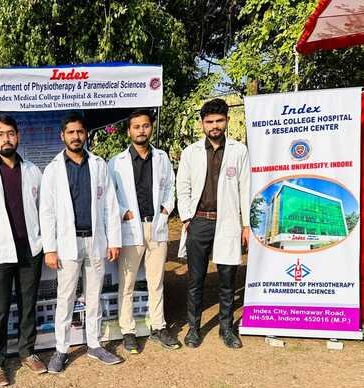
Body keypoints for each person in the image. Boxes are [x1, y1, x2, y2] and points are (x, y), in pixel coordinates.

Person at [40, 112, 122, 373]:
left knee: (94, 296)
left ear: (86, 134)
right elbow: (47, 212)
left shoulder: (98, 165)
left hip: (95, 241)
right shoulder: (53, 170)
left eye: (80, 131)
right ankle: (61, 349)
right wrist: (50, 249)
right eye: (71, 132)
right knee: (65, 298)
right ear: (62, 136)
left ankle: (95, 344)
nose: (76, 136)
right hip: (67, 244)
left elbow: (110, 205)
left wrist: (114, 240)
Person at [0, 114, 46, 385]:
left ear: (18, 137)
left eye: (10, 133)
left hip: (30, 250)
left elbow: (43, 211)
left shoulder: (33, 171)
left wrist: (45, 244)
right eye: (0, 134)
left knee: (28, 305)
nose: (6, 139)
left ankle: (27, 352)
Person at [176, 98, 250, 349]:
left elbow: (245, 189)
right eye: (209, 121)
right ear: (202, 124)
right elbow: (183, 187)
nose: (214, 126)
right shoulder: (191, 152)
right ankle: (193, 328)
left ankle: (226, 329)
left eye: (219, 121)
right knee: (195, 280)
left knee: (227, 280)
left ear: (227, 121)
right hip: (199, 222)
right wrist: (187, 218)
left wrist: (246, 225)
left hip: (228, 223)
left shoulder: (238, 151)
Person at [109, 109, 178, 354]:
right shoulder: (116, 162)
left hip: (156, 225)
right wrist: (124, 213)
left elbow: (170, 186)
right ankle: (127, 331)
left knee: (156, 281)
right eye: (136, 126)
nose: (141, 130)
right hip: (131, 227)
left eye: (145, 126)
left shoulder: (161, 157)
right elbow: (110, 195)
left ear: (150, 128)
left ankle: (159, 326)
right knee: (127, 283)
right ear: (129, 131)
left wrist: (166, 209)